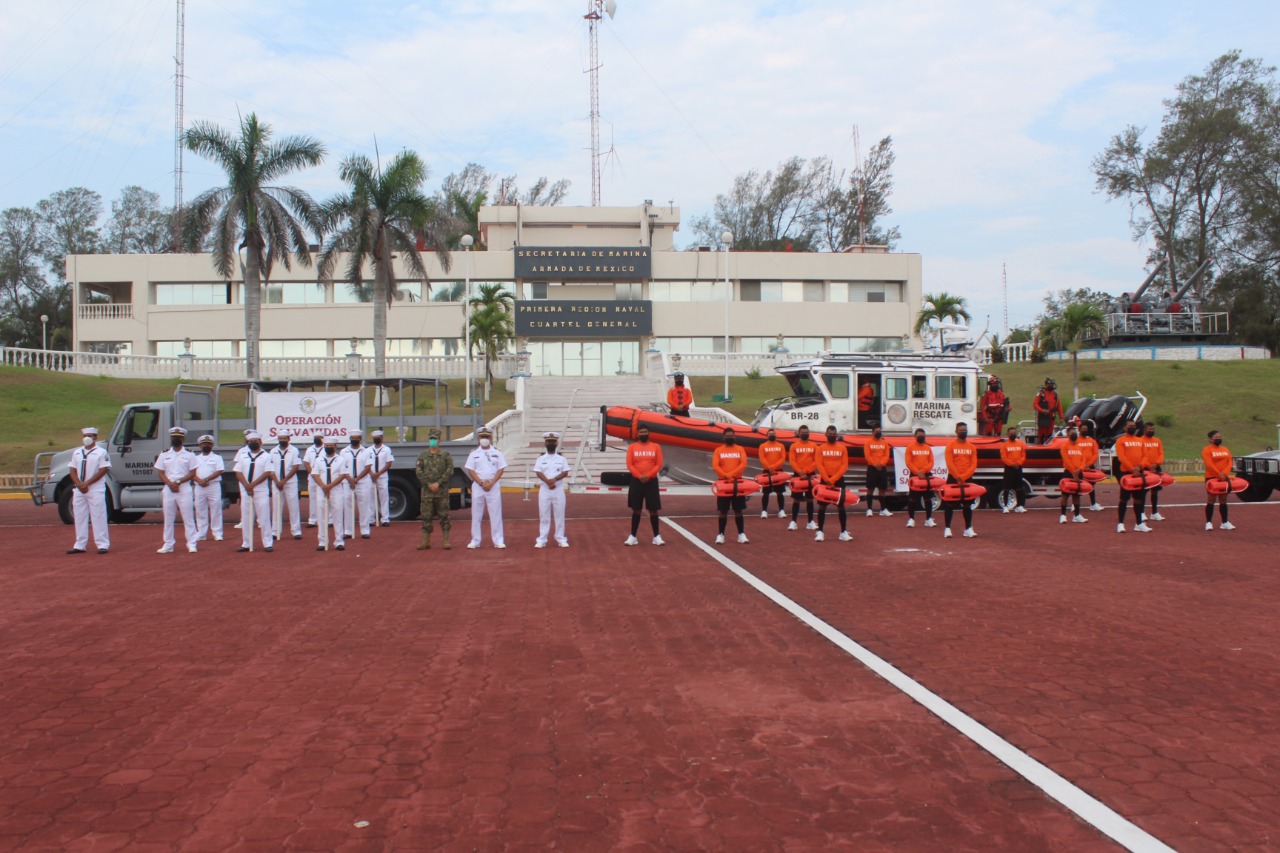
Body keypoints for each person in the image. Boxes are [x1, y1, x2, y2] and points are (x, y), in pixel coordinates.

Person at [67, 426, 111, 555]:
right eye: (85, 436)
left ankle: (102, 544)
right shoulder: (77, 452)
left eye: (90, 435)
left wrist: (87, 483)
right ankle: (80, 544)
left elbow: (103, 470)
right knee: (80, 516)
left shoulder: (101, 452)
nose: (87, 438)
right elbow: (72, 470)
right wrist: (79, 484)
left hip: (95, 489)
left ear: (96, 437)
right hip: (79, 489)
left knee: (98, 516)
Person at [155, 426, 199, 554]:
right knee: (168, 518)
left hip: (184, 488)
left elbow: (193, 472)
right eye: (174, 437)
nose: (176, 439)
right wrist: (170, 484)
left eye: (178, 438)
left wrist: (178, 482)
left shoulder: (189, 454)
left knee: (188, 517)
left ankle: (192, 543)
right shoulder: (164, 454)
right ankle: (168, 544)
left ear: (183, 439)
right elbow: (161, 472)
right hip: (169, 489)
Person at [465, 426, 507, 549]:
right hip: (479, 486)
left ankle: (498, 540)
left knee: (495, 514)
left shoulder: (497, 453)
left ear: (491, 437)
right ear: (478, 438)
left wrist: (492, 483)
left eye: (487, 436)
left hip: (493, 486)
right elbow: (471, 470)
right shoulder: (474, 453)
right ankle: (475, 540)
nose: (484, 439)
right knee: (476, 514)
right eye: (482, 437)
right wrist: (482, 483)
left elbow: (501, 469)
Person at [234, 430, 275, 552]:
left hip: (260, 491)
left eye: (255, 442)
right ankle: (246, 543)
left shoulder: (266, 456)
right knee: (246, 517)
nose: (252, 443)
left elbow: (267, 472)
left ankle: (267, 543)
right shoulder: (243, 456)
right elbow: (238, 472)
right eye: (250, 442)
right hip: (246, 490)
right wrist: (247, 485)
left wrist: (253, 484)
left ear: (260, 442)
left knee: (264, 517)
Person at [624, 425, 664, 545]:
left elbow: (658, 464)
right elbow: (630, 464)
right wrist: (639, 475)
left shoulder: (656, 446)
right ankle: (633, 536)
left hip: (651, 481)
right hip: (637, 481)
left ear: (649, 433)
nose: (643, 433)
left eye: (645, 431)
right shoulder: (632, 447)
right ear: (638, 434)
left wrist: (649, 475)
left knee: (653, 510)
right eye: (641, 432)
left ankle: (656, 536)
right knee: (636, 509)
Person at [415, 428, 454, 550]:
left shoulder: (445, 455)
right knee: (426, 516)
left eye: (435, 439)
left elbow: (450, 470)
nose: (433, 441)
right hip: (427, 492)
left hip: (441, 491)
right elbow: (419, 471)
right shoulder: (423, 456)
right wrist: (429, 484)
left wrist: (438, 483)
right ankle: (426, 541)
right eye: (431, 439)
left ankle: (446, 541)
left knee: (444, 515)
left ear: (439, 441)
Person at [813, 425, 852, 542]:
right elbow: (819, 465)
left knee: (841, 507)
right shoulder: (820, 449)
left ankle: (843, 532)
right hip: (825, 480)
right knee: (822, 507)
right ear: (826, 435)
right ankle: (820, 532)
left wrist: (834, 479)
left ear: (836, 435)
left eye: (833, 434)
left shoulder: (842, 449)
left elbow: (844, 465)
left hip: (838, 480)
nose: (831, 436)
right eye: (829, 434)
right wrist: (827, 479)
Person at [310, 435, 348, 551]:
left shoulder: (340, 459)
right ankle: (322, 541)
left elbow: (342, 475)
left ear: (335, 447)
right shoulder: (319, 459)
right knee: (321, 516)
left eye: (331, 446)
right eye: (327, 446)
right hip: (321, 490)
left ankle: (339, 541)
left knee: (337, 516)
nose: (329, 447)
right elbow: (315, 474)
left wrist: (329, 486)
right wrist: (323, 486)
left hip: (336, 490)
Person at [712, 428, 750, 544]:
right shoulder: (718, 450)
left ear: (735, 437)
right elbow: (715, 465)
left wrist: (731, 475)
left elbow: (743, 464)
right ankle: (721, 535)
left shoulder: (740, 449)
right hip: (723, 484)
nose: (730, 437)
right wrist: (726, 476)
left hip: (737, 483)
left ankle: (741, 534)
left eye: (732, 435)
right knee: (723, 511)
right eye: (728, 436)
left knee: (738, 510)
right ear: (723, 437)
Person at [534, 431, 571, 548]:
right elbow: (538, 472)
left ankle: (561, 538)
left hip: (558, 489)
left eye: (553, 441)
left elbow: (565, 472)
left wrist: (554, 480)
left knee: (559, 515)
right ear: (545, 443)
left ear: (557, 443)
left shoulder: (562, 458)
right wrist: (548, 482)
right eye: (549, 441)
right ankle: (542, 539)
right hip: (545, 489)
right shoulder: (540, 458)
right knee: (544, 515)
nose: (551, 443)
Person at [1114, 421, 1151, 534]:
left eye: (1134, 426)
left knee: (1139, 499)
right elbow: (1122, 457)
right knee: (1124, 499)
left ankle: (1139, 523)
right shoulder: (1120, 441)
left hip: (1139, 473)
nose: (1133, 428)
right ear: (1125, 427)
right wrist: (1132, 469)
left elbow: (1145, 455)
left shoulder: (1140, 441)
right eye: (1130, 426)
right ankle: (1120, 524)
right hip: (1126, 473)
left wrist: (1139, 467)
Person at [942, 422, 978, 539]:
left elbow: (973, 464)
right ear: (956, 431)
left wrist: (965, 476)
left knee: (967, 505)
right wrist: (958, 476)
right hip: (953, 478)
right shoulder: (951, 446)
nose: (963, 431)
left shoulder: (971, 447)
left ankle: (968, 528)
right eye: (961, 430)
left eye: (965, 430)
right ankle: (947, 528)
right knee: (949, 505)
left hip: (967, 479)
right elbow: (950, 462)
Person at [268, 429, 302, 540]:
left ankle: (296, 531)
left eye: (284, 438)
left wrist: (284, 480)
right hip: (276, 483)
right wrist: (277, 481)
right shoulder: (273, 451)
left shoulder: (294, 450)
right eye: (280, 438)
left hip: (290, 482)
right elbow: (270, 468)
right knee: (276, 507)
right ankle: (275, 531)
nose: (282, 440)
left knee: (293, 506)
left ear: (288, 439)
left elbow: (295, 467)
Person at [192, 434, 225, 542]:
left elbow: (219, 470)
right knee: (200, 509)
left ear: (212, 445)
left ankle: (217, 532)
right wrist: (199, 480)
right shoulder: (195, 458)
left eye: (208, 444)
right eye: (204, 444)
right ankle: (201, 532)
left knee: (216, 508)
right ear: (200, 446)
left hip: (213, 486)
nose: (206, 445)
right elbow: (191, 472)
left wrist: (206, 480)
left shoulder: (217, 457)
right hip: (199, 486)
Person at [341, 430, 374, 539]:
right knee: (347, 506)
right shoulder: (343, 452)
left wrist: (357, 479)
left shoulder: (366, 452)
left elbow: (368, 467)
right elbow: (342, 468)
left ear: (360, 439)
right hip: (347, 482)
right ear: (350, 439)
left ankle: (365, 530)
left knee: (364, 506)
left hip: (362, 482)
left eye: (357, 438)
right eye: (353, 438)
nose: (354, 440)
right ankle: (348, 531)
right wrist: (350, 479)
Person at [1202, 430, 1236, 531]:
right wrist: (1218, 474)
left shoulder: (1225, 449)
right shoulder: (1207, 449)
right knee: (1211, 500)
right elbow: (1209, 464)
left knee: (1223, 500)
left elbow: (1229, 462)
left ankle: (1224, 522)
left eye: (1220, 436)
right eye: (1216, 437)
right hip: (1212, 477)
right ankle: (1208, 522)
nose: (1218, 438)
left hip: (1224, 478)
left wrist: (1224, 474)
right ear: (1210, 439)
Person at [787, 424, 818, 531]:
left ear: (809, 433)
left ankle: (810, 521)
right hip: (798, 475)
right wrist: (800, 472)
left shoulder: (814, 446)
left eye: (806, 432)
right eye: (803, 432)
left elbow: (816, 460)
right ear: (799, 433)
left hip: (810, 475)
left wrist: (806, 471)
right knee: (796, 499)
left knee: (810, 499)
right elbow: (792, 460)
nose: (804, 434)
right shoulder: (794, 446)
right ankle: (793, 522)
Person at [905, 428, 937, 529]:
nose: (922, 437)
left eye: (923, 435)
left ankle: (928, 519)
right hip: (915, 476)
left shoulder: (928, 448)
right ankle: (911, 519)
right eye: (920, 436)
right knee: (912, 498)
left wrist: (923, 471)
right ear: (915, 437)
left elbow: (931, 462)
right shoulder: (910, 447)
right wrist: (917, 472)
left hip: (926, 475)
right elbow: (908, 462)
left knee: (928, 498)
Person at [1059, 427, 1089, 524]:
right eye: (1072, 433)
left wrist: (1079, 469)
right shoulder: (1064, 446)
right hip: (1068, 472)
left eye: (1075, 433)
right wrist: (1073, 472)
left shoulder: (1080, 446)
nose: (1074, 434)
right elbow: (1066, 460)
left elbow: (1083, 459)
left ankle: (1077, 515)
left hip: (1078, 473)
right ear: (1068, 435)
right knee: (1065, 495)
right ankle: (1063, 515)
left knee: (1076, 495)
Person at [757, 429, 788, 519]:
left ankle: (781, 510)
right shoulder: (763, 446)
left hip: (778, 471)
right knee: (766, 493)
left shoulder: (780, 446)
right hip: (767, 471)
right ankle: (764, 511)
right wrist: (769, 467)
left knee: (780, 492)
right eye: (770, 434)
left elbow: (782, 458)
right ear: (767, 436)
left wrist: (773, 467)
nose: (772, 435)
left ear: (776, 435)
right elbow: (762, 458)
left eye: (773, 434)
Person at [864, 427, 893, 517]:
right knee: (870, 489)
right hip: (872, 468)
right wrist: (875, 464)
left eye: (880, 431)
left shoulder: (884, 443)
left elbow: (887, 455)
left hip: (882, 468)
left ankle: (883, 509)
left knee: (882, 489)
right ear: (872, 432)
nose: (878, 433)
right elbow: (867, 456)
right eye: (877, 431)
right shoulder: (868, 442)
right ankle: (869, 509)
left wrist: (881, 464)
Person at [999, 427, 1028, 513]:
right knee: (1006, 488)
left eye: (1014, 433)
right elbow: (1004, 457)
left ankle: (1020, 506)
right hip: (1009, 469)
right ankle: (1005, 506)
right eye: (1011, 433)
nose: (1013, 434)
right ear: (1008, 435)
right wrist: (1012, 464)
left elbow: (1023, 455)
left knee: (1019, 488)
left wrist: (1018, 463)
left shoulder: (1020, 444)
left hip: (1018, 468)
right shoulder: (1004, 445)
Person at [369, 430, 395, 527]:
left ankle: (385, 519)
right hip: (371, 477)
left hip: (382, 476)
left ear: (382, 438)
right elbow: (367, 464)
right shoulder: (368, 450)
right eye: (375, 438)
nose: (376, 439)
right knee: (370, 498)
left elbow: (389, 463)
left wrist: (378, 473)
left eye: (378, 437)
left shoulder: (386, 449)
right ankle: (371, 519)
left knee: (384, 497)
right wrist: (372, 474)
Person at [1077, 422, 1104, 512]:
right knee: (1079, 485)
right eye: (1083, 429)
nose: (1085, 431)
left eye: (1086, 429)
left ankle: (1093, 504)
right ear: (1079, 430)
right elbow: (1074, 454)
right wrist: (1082, 465)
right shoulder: (1076, 441)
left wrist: (1089, 464)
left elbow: (1095, 454)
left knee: (1091, 485)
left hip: (1090, 466)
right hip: (1079, 467)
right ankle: (1075, 505)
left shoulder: (1092, 441)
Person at [1142, 423, 1166, 521]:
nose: (1151, 430)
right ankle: (1141, 512)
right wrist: (1148, 465)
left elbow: (1161, 453)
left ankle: (1154, 512)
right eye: (1149, 429)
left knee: (1155, 491)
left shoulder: (1157, 441)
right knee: (1143, 491)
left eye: (1153, 429)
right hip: (1145, 468)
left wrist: (1157, 464)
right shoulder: (1140, 441)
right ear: (1144, 430)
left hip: (1156, 468)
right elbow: (1141, 455)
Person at [1033, 378, 1065, 445]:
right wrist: (1042, 410)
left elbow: (1059, 406)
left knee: (1050, 433)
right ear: (1046, 385)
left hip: (1051, 416)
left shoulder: (1055, 394)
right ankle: (1040, 446)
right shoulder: (1041, 393)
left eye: (1052, 384)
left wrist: (1061, 417)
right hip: (1043, 416)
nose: (1051, 385)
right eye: (1049, 384)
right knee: (1042, 433)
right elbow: (1035, 404)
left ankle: (1048, 445)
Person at [302, 433, 324, 527]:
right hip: (312, 478)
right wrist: (313, 474)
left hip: (323, 478)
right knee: (313, 499)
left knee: (324, 499)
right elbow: (306, 463)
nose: (317, 439)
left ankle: (327, 519)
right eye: (315, 438)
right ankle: (312, 519)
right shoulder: (310, 449)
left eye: (319, 437)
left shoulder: (326, 448)